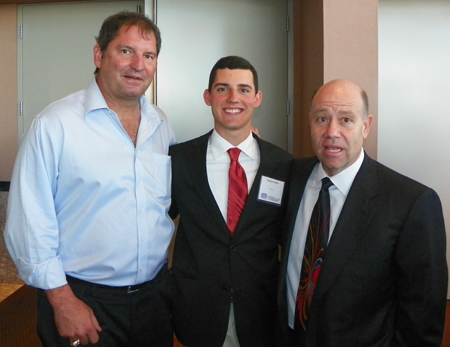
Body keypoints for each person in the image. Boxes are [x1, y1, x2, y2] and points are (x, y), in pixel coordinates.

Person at [5, 11, 175, 347]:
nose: (138, 64)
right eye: (126, 51)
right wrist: (61, 300)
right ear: (99, 55)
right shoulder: (55, 124)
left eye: (149, 55)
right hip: (84, 300)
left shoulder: (161, 124)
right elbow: (28, 222)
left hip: (154, 299)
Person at [277, 79, 448, 347]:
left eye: (346, 120)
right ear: (310, 122)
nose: (332, 131)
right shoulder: (290, 178)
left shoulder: (411, 203)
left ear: (366, 126)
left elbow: (422, 317)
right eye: (322, 118)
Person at [169, 56, 293, 347]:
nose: (233, 98)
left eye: (244, 89)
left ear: (257, 98)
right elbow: (153, 225)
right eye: (223, 89)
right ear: (208, 96)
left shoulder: (283, 165)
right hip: (197, 309)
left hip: (261, 312)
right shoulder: (179, 160)